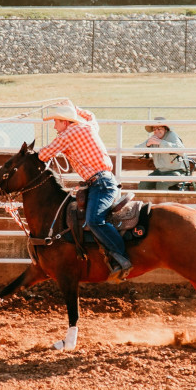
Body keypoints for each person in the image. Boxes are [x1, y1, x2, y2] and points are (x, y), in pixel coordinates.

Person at [38, 100, 132, 281]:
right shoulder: (88, 127)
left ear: (65, 122)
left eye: (56, 122)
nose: (55, 127)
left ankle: (121, 257)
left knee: (95, 220)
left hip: (100, 183)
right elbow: (90, 116)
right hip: (103, 181)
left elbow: (44, 155)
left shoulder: (69, 134)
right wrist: (75, 108)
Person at [135, 116, 189, 190]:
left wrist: (161, 143)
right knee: (143, 184)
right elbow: (134, 150)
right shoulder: (153, 138)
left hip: (177, 172)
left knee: (162, 183)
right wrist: (147, 144)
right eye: (154, 129)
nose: (156, 131)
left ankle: (162, 202)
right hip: (160, 171)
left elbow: (182, 151)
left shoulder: (172, 135)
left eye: (159, 128)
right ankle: (146, 201)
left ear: (166, 129)